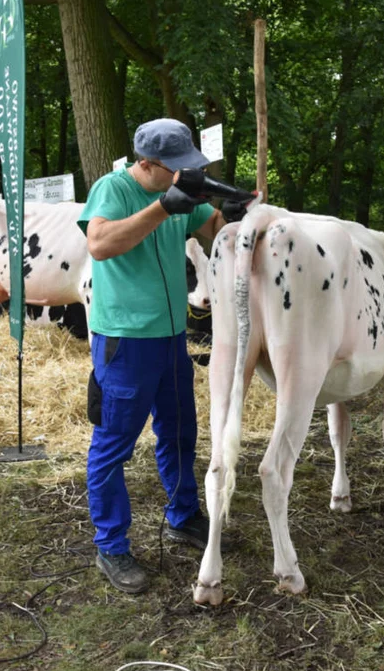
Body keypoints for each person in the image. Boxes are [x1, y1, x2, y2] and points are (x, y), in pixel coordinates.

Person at [78, 118, 253, 593]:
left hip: (173, 338)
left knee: (179, 431)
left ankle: (183, 516)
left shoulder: (179, 194)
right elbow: (99, 244)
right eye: (171, 169)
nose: (181, 175)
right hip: (124, 342)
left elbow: (215, 230)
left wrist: (232, 215)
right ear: (146, 164)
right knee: (113, 444)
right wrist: (162, 207)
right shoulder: (112, 189)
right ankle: (111, 546)